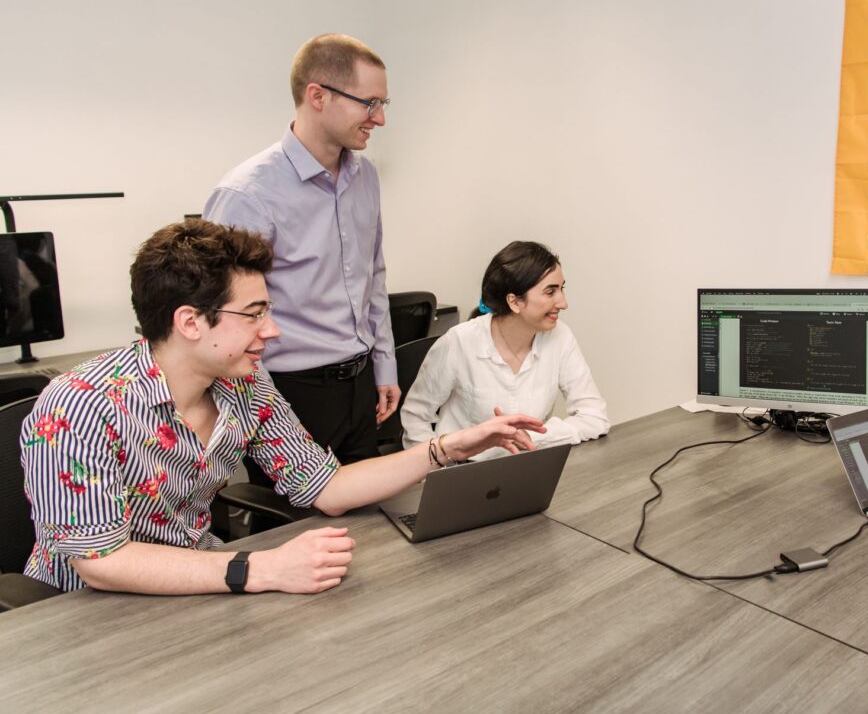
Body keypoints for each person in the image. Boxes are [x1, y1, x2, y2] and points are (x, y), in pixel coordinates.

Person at [19, 220, 544, 595]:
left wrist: (448, 446)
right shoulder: (79, 406)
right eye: (254, 314)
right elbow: (101, 564)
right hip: (82, 613)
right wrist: (260, 569)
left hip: (200, 583)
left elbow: (329, 487)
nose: (271, 331)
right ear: (190, 322)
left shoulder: (246, 388)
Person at [203, 33, 397, 470]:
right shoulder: (247, 194)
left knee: (368, 523)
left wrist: (384, 364)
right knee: (297, 530)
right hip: (289, 391)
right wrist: (264, 412)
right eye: (369, 103)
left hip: (360, 381)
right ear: (318, 96)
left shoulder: (364, 177)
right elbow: (226, 318)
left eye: (384, 104)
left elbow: (374, 275)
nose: (380, 118)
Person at [400, 241, 608, 454]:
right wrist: (437, 470)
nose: (563, 303)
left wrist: (532, 437)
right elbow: (415, 418)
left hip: (529, 467)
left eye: (561, 289)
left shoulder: (560, 337)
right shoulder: (459, 342)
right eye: (550, 292)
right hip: (462, 472)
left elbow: (594, 417)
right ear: (514, 302)